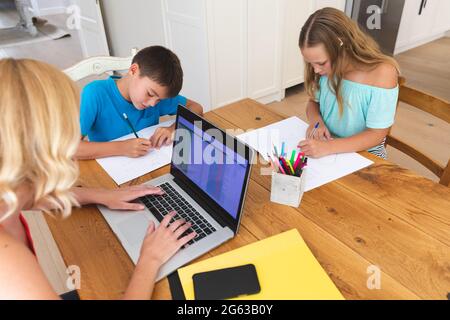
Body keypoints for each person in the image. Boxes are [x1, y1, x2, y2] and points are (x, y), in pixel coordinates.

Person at [0, 58, 196, 299]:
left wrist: (102, 195)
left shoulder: (8, 195)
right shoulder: (7, 260)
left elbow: (35, 197)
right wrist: (150, 260)